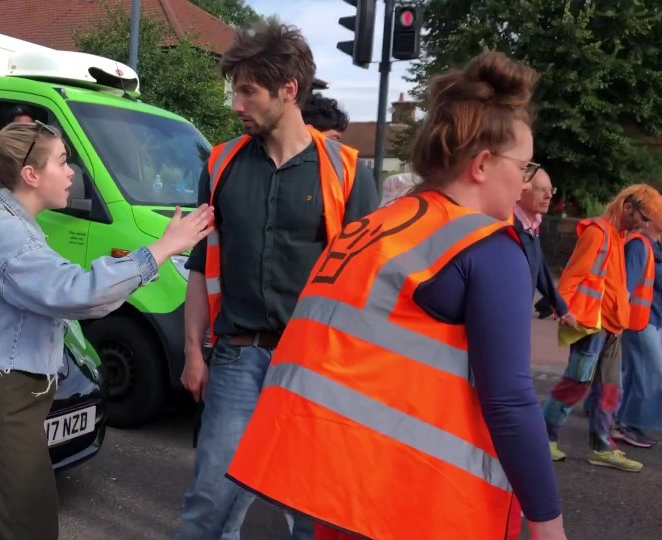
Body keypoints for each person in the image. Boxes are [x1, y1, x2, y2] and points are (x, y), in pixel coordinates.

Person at [226, 51, 568, 540]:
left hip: (341, 491)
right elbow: (510, 401)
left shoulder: (374, 227)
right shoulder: (490, 250)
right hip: (419, 501)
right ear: (483, 164)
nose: (526, 180)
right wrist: (548, 522)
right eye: (525, 165)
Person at [0, 120, 214, 539]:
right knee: (26, 523)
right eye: (63, 162)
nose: (71, 173)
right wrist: (162, 249)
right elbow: (76, 292)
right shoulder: (2, 230)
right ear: (31, 175)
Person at [178, 19, 378, 540]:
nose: (236, 105)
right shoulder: (220, 164)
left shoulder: (350, 172)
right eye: (234, 90)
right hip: (236, 358)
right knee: (210, 503)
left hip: (312, 364)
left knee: (310, 511)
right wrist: (194, 353)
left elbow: (365, 287)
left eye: (247, 91)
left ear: (288, 90)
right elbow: (201, 267)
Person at [542, 183, 662, 472]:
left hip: (611, 326)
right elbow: (574, 272)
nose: (646, 226)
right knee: (576, 382)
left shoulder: (620, 236)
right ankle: (543, 438)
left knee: (610, 388)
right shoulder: (599, 232)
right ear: (628, 207)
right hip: (591, 323)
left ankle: (603, 446)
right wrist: (564, 308)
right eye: (644, 218)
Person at [614, 210, 662, 448]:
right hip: (641, 321)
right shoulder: (640, 245)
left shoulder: (652, 246)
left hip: (649, 319)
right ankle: (628, 425)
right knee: (649, 373)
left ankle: (624, 423)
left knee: (637, 373)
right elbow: (626, 287)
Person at [513, 168, 577, 327]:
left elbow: (540, 270)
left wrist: (562, 309)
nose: (549, 196)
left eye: (551, 190)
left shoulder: (532, 227)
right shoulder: (509, 226)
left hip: (519, 316)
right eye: (541, 190)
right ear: (523, 190)